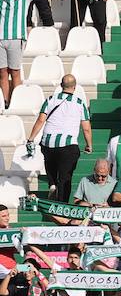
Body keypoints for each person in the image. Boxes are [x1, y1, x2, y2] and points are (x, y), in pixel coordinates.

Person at [27, 75, 92, 203]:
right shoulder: (79, 103)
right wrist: (89, 144)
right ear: (75, 86)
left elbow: (41, 120)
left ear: (61, 86)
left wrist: (31, 138)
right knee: (65, 177)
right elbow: (86, 128)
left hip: (48, 141)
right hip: (67, 144)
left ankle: (52, 183)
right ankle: (62, 204)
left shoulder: (50, 99)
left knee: (50, 162)